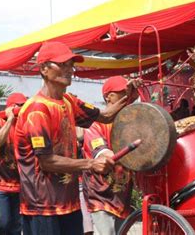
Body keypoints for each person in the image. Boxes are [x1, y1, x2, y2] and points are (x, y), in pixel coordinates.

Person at [14, 41, 140, 235]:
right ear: (44, 69)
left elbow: (105, 116)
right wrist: (91, 164)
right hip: (43, 207)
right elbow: (47, 162)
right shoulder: (36, 110)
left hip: (69, 204)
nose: (69, 69)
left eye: (70, 64)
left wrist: (128, 97)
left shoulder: (69, 101)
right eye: (62, 64)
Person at [82, 76, 135, 235]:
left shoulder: (129, 122)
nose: (127, 97)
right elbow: (103, 153)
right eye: (123, 93)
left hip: (122, 194)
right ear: (109, 97)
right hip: (100, 194)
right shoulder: (94, 124)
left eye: (129, 93)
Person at [0, 92, 27, 235]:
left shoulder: (24, 125)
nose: (24, 108)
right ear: (12, 107)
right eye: (21, 105)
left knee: (16, 227)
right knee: (3, 224)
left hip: (19, 186)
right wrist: (10, 120)